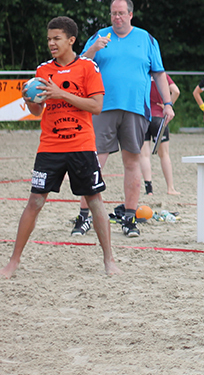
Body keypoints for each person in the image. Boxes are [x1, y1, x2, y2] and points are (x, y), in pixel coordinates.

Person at [2, 17, 119, 278]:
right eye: (49, 39)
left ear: (71, 40)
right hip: (50, 146)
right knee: (35, 201)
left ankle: (109, 261)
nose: (51, 43)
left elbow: (96, 107)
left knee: (95, 201)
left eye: (56, 38)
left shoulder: (88, 67)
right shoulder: (43, 70)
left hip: (82, 145)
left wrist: (61, 93)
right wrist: (29, 99)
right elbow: (37, 110)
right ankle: (13, 262)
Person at [81, 0, 175, 238]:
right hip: (102, 107)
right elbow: (80, 66)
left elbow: (159, 74)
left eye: (121, 13)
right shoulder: (99, 36)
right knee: (95, 161)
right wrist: (93, 49)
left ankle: (129, 217)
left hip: (135, 109)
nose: (117, 17)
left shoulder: (146, 39)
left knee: (132, 162)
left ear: (130, 14)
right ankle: (84, 215)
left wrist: (167, 104)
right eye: (113, 13)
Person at [139, 75, 181, 196]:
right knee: (164, 155)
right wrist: (169, 104)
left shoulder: (141, 74)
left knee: (144, 155)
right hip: (158, 116)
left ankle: (149, 189)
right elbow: (176, 91)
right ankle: (170, 187)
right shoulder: (162, 76)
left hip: (143, 116)